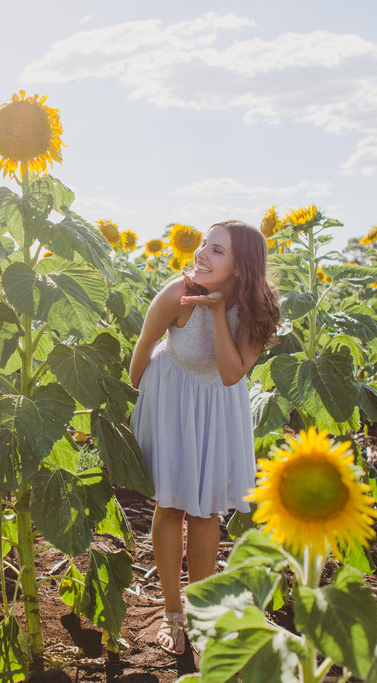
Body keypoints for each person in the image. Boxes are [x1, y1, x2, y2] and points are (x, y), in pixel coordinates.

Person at [129, 220, 280, 655]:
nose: (200, 254)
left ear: (241, 267)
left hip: (218, 400)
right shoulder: (177, 294)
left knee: (206, 510)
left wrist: (216, 310)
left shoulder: (259, 308)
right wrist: (134, 402)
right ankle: (173, 614)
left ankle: (199, 614)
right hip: (170, 393)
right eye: (202, 245)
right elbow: (144, 344)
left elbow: (232, 373)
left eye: (216, 250)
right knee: (171, 502)